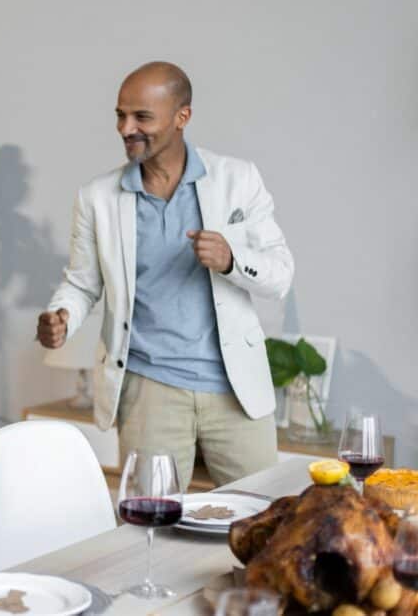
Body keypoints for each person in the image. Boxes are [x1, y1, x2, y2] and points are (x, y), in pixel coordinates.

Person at [37, 62, 294, 490]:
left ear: (182, 117)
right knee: (150, 528)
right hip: (149, 388)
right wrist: (61, 315)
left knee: (263, 521)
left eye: (142, 117)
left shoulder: (238, 179)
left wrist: (231, 259)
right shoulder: (97, 197)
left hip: (234, 388)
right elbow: (82, 283)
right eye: (120, 115)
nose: (126, 128)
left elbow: (280, 274)